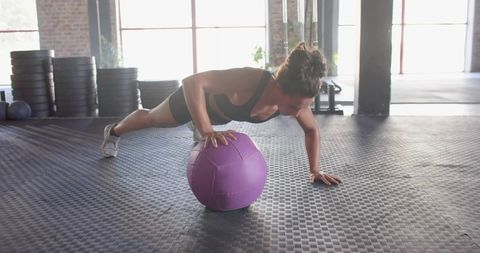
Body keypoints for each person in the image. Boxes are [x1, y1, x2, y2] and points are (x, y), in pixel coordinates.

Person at [101, 42, 342, 186]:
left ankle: (199, 125)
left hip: (216, 115)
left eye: (304, 106)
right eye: (294, 106)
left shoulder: (295, 100)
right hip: (193, 101)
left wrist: (314, 170)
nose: (298, 113)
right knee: (152, 118)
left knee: (204, 128)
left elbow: (311, 129)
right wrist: (207, 130)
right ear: (279, 87)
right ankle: (113, 131)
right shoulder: (252, 79)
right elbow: (192, 82)